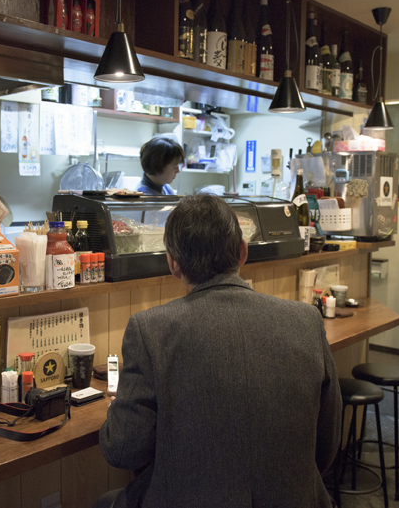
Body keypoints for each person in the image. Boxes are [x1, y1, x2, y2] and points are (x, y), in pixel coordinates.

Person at [96, 194, 342, 508]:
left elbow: (124, 450)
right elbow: (327, 445)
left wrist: (114, 412)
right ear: (242, 252)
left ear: (173, 263)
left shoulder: (150, 330)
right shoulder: (307, 320)